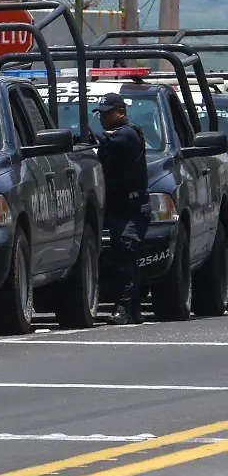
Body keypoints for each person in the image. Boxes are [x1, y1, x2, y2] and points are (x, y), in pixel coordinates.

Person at [93, 92, 152, 325]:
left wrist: (84, 135)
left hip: (133, 207)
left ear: (121, 113)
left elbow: (104, 141)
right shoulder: (113, 134)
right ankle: (133, 309)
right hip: (116, 206)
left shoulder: (128, 134)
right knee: (122, 256)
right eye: (101, 114)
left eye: (108, 113)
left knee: (126, 250)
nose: (103, 117)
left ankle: (125, 307)